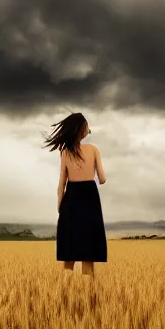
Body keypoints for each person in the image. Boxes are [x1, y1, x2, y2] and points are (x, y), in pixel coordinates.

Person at [43, 112, 108, 275]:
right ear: (82, 129)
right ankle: (87, 294)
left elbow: (61, 183)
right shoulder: (93, 149)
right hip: (89, 197)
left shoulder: (65, 152)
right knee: (89, 251)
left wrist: (60, 206)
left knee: (69, 252)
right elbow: (102, 179)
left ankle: (66, 293)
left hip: (70, 198)